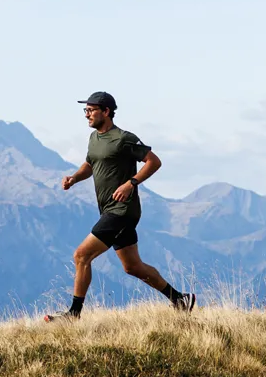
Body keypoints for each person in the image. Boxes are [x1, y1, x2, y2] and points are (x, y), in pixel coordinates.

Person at [46, 91, 195, 321]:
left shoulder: (123, 138)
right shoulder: (94, 139)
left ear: (106, 111)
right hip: (109, 211)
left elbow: (154, 161)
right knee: (132, 266)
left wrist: (131, 183)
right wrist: (74, 178)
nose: (87, 114)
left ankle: (73, 315)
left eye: (91, 110)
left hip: (122, 211)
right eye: (85, 110)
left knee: (81, 256)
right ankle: (180, 299)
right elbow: (90, 164)